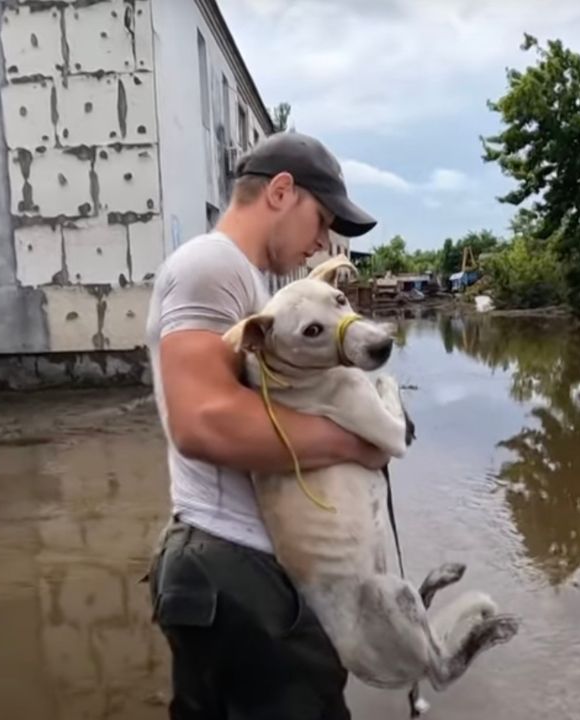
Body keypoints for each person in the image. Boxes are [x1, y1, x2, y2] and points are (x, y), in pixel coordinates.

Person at [144, 132, 379, 720]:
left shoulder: (247, 283)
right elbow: (203, 421)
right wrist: (356, 442)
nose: (322, 240)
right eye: (321, 218)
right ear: (280, 192)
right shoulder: (210, 263)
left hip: (225, 568)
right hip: (231, 566)